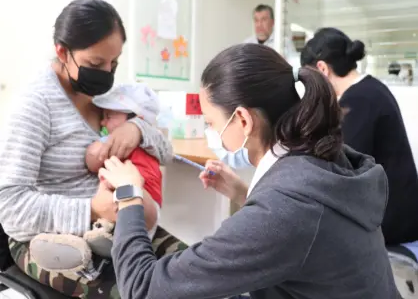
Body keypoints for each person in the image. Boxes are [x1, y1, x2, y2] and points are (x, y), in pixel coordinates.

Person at [100, 43, 399, 299]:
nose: (209, 131)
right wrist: (247, 194)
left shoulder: (286, 209)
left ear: (242, 120)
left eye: (210, 123)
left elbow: (142, 289)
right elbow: (309, 234)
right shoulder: (327, 158)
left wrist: (129, 194)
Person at [0, 0, 184, 299]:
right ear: (63, 52)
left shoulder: (111, 97)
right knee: (148, 292)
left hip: (120, 221)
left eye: (114, 62)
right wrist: (91, 208)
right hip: (50, 239)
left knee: (199, 275)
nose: (107, 73)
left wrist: (138, 129)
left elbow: (166, 151)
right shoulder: (35, 105)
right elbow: (10, 207)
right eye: (96, 64)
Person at [28, 83, 163, 275]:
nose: (103, 123)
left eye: (109, 116)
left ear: (136, 118)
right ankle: (101, 240)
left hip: (136, 201)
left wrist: (102, 145)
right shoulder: (151, 139)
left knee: (120, 202)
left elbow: (92, 160)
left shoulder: (125, 139)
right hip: (136, 209)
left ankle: (111, 241)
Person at [300, 27, 418, 246]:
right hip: (402, 210)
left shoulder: (357, 102)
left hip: (393, 221)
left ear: (322, 68)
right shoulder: (371, 88)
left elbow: (343, 168)